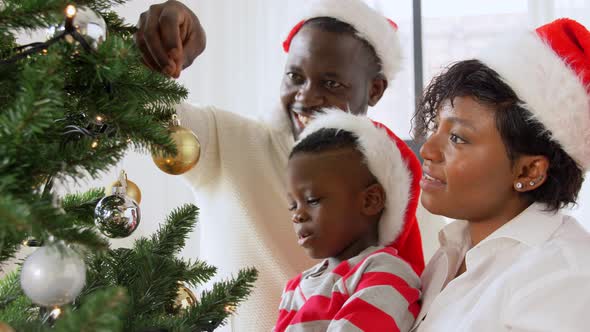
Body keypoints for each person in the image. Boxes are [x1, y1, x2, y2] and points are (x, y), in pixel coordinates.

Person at [134, 0, 424, 329]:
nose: (306, 96)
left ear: (375, 89)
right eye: (295, 76)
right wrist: (157, 52)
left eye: (331, 84)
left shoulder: (400, 191)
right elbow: (136, 112)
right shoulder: (228, 141)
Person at [412, 18, 590, 331]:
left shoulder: (564, 280)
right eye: (435, 128)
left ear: (529, 170)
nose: (428, 150)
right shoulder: (456, 248)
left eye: (457, 138)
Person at [275, 111, 421, 332]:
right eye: (293, 205)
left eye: (312, 200)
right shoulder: (296, 287)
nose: (298, 215)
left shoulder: (386, 273)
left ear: (371, 201)